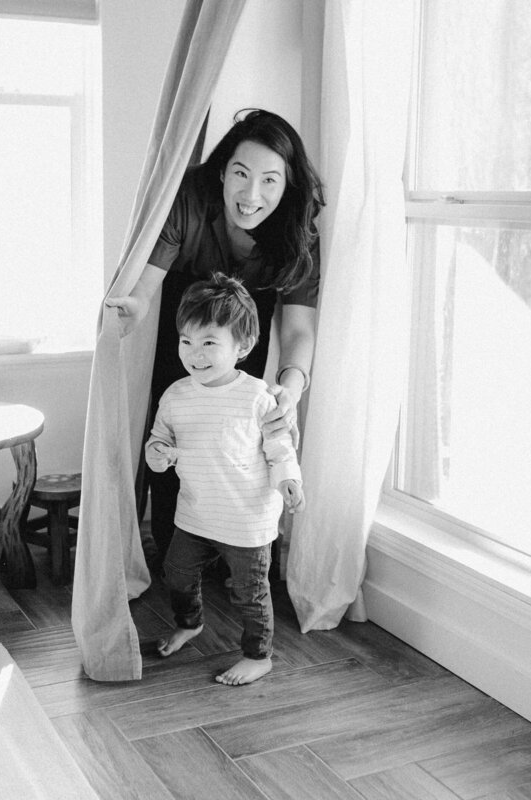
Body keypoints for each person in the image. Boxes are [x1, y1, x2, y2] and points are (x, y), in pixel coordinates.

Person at [106, 109, 324, 573]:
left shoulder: (297, 233)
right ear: (223, 170)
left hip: (249, 314)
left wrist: (293, 386)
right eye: (241, 174)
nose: (251, 195)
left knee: (238, 433)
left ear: (286, 187)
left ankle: (232, 551)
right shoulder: (186, 197)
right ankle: (177, 553)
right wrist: (132, 309)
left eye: (270, 180)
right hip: (183, 313)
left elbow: (300, 330)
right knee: (179, 422)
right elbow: (145, 288)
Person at [146, 273, 305, 685]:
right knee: (176, 572)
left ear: (243, 347)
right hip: (196, 513)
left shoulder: (257, 397)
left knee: (249, 593)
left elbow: (279, 448)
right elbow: (158, 441)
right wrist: (158, 456)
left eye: (209, 343)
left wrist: (289, 480)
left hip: (246, 520)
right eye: (187, 341)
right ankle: (190, 622)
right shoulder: (175, 395)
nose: (195, 354)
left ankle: (258, 654)